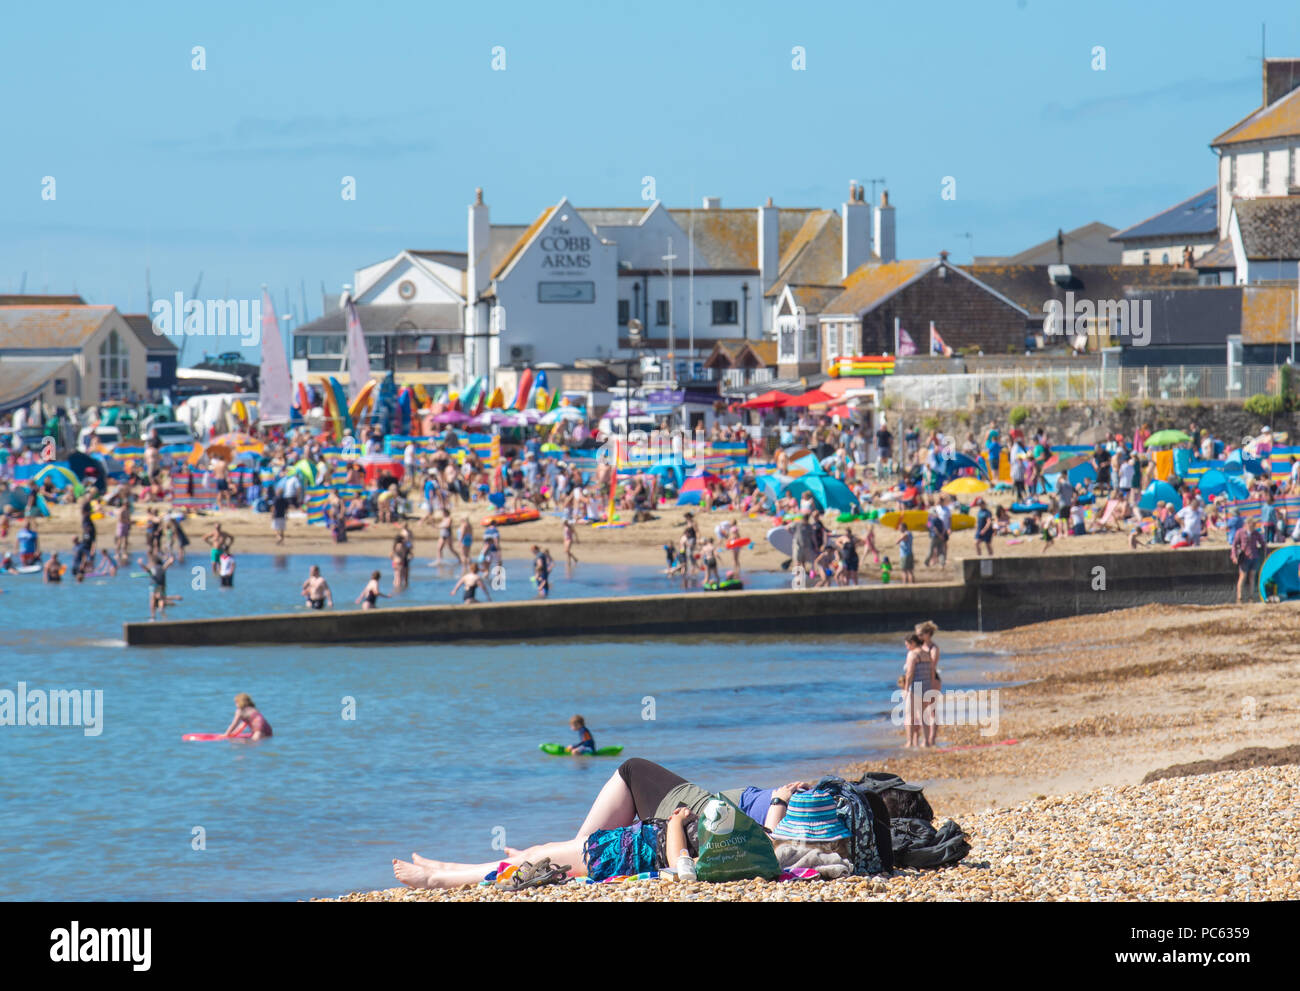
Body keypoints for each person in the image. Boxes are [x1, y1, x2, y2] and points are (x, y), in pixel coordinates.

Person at [392, 758, 811, 889]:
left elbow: (680, 866)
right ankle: (446, 871)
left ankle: (441, 878)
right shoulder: (753, 844)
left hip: (614, 853)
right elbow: (773, 838)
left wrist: (680, 826)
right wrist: (778, 799)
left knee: (539, 860)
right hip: (622, 844)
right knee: (541, 855)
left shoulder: (727, 844)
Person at [900, 633, 932, 748]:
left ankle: (909, 742)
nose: (907, 647)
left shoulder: (912, 654)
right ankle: (926, 742)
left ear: (913, 643)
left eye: (907, 645)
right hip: (927, 685)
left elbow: (909, 673)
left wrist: (905, 689)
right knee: (924, 715)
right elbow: (931, 670)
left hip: (916, 686)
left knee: (909, 715)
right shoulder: (926, 654)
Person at [1231, 517, 1267, 604]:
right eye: (1253, 523)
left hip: (1254, 557)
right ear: (1248, 524)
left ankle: (1251, 597)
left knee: (1252, 577)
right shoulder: (1240, 532)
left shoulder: (1256, 533)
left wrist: (1266, 551)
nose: (1254, 525)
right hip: (1244, 558)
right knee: (1242, 577)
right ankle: (1239, 597)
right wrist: (1234, 557)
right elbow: (1234, 545)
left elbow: (1262, 543)